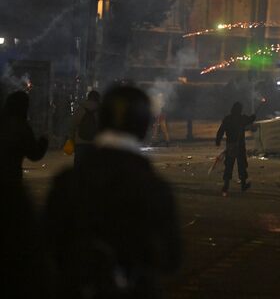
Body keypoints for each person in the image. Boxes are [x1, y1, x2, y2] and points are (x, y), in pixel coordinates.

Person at [44, 86, 181, 299]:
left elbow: (46, 249)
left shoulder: (67, 181)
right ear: (143, 126)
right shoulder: (154, 187)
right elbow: (172, 259)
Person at [0, 91, 48, 181]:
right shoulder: (22, 127)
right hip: (11, 177)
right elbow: (34, 154)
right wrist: (44, 140)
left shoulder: (4, 122)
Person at [216, 102, 256, 196]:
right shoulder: (241, 118)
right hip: (240, 145)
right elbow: (249, 119)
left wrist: (218, 140)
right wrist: (253, 117)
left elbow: (221, 130)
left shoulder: (228, 118)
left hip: (230, 145)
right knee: (241, 164)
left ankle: (226, 185)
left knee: (229, 165)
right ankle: (243, 184)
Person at [69, 90, 100, 168]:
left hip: (80, 142)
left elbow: (73, 125)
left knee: (79, 168)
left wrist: (72, 139)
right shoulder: (101, 110)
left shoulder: (80, 109)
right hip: (95, 144)